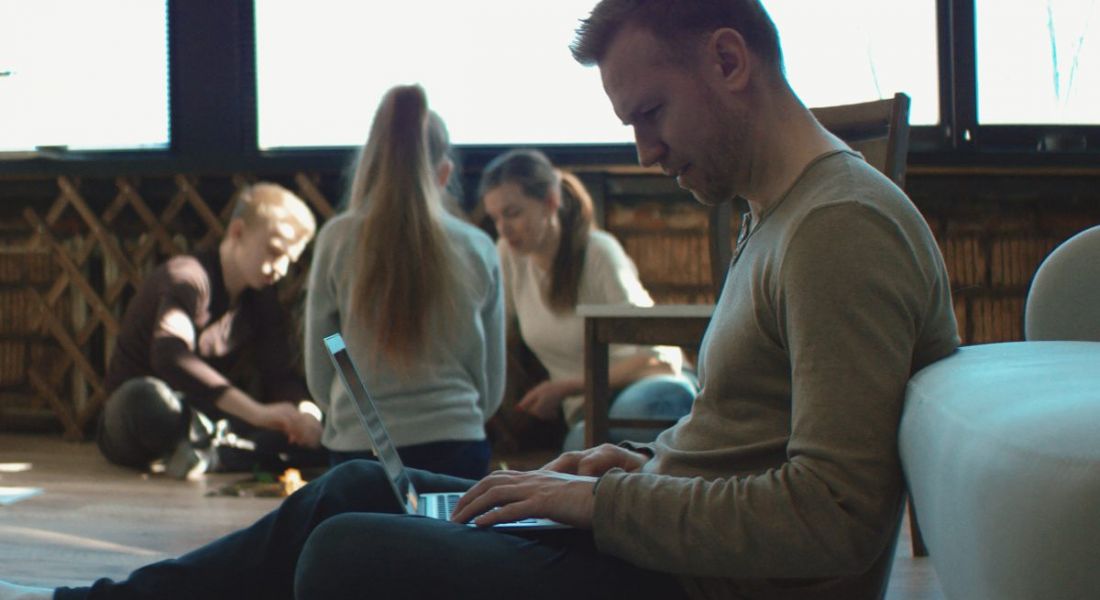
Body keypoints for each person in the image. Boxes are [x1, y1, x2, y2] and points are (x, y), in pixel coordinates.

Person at [0, 2, 960, 599]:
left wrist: (605, 505)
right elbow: (748, 442)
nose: (644, 152)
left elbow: (830, 516)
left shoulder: (841, 230)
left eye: (650, 115)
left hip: (700, 583)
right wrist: (627, 465)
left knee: (344, 559)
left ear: (727, 59)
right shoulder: (774, 217)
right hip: (660, 540)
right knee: (355, 488)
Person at [303, 84, 504, 479]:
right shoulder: (479, 247)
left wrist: (352, 408)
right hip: (457, 444)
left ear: (371, 164)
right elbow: (490, 381)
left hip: (360, 450)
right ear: (444, 174)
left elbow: (324, 357)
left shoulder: (337, 240)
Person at [95, 182, 324, 479]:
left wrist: (306, 413)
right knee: (144, 398)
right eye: (273, 251)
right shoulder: (188, 278)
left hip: (207, 418)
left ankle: (206, 455)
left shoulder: (261, 296)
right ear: (237, 232)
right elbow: (170, 355)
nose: (279, 268)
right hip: (140, 418)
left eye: (288, 261)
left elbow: (278, 372)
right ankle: (216, 452)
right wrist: (256, 412)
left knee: (315, 436)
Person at [479, 148, 695, 451]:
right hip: (588, 409)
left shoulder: (598, 253)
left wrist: (564, 388)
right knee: (582, 443)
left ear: (550, 202)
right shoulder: (509, 254)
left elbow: (659, 358)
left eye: (513, 213)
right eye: (495, 217)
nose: (503, 228)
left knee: (597, 436)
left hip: (650, 387)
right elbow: (498, 333)